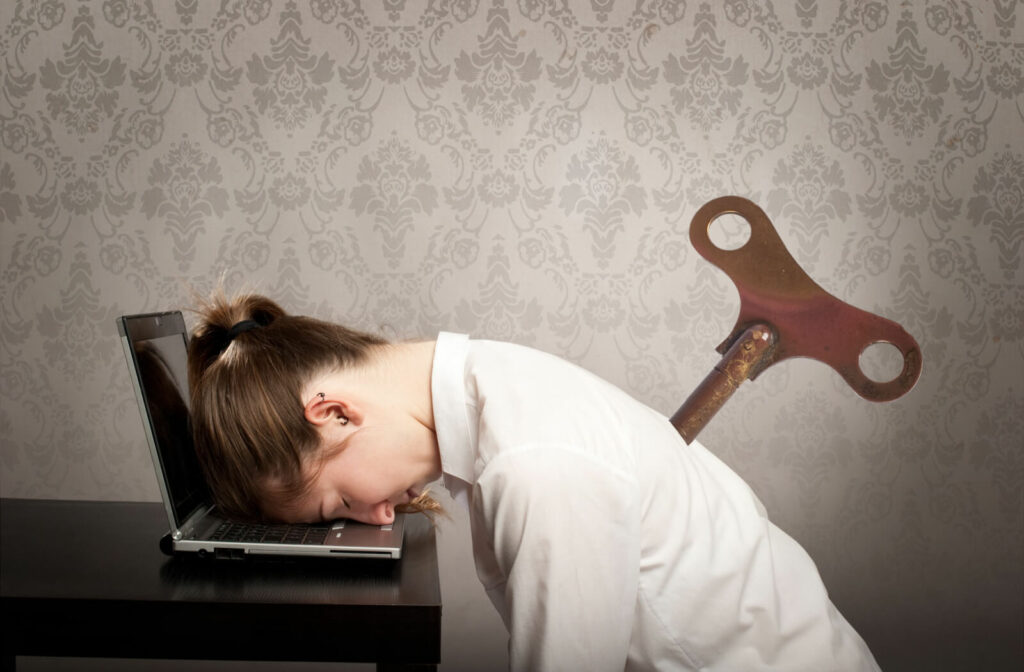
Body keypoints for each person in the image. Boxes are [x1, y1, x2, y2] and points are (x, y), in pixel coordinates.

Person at [188, 291, 881, 672]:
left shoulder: (536, 464)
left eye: (336, 501)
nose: (371, 515)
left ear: (335, 413)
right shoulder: (497, 384)